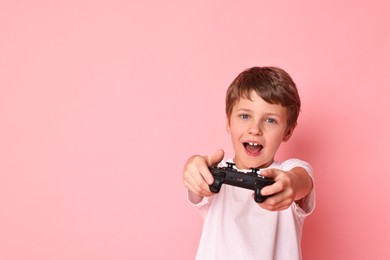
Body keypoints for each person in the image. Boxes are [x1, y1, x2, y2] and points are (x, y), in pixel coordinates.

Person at [183, 66, 315, 260]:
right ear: (228, 122)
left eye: (270, 120)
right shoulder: (212, 175)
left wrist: (291, 185)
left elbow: (301, 181)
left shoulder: (288, 171)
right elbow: (196, 177)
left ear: (287, 131)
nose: (255, 129)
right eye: (245, 116)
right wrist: (192, 166)